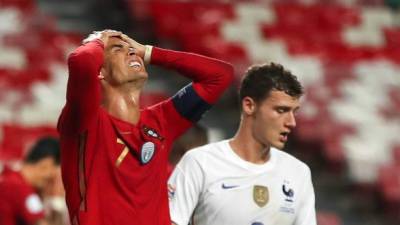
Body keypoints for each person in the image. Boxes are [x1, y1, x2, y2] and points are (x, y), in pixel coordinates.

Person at [57, 30, 233, 225]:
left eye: (132, 49)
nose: (132, 52)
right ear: (100, 72)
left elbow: (220, 75)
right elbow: (81, 61)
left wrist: (149, 53)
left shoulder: (161, 121)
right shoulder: (85, 121)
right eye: (118, 49)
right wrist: (101, 40)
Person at [168, 63, 316, 225]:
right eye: (281, 110)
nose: (291, 122)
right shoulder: (199, 163)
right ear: (249, 106)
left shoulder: (298, 173)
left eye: (294, 112)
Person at [0, 137, 61, 225]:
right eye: (50, 179)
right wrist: (57, 202)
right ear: (46, 164)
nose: (49, 183)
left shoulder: (9, 177)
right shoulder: (19, 187)